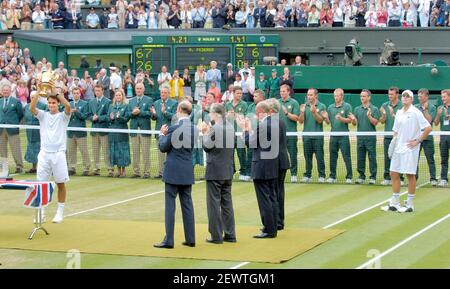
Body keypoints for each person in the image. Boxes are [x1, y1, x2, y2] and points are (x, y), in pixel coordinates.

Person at [154, 100, 197, 249]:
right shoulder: (194, 129)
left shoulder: (174, 128)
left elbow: (163, 147)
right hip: (186, 170)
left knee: (170, 206)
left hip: (173, 170)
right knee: (187, 205)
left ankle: (169, 240)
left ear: (179, 109)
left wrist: (161, 134)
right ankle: (191, 239)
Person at [381, 90, 432, 213]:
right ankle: (395, 202)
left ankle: (409, 204)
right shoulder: (398, 112)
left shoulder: (415, 112)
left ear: (411, 99)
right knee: (393, 173)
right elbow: (396, 131)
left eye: (407, 96)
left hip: (410, 149)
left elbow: (428, 128)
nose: (404, 98)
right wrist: (394, 143)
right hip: (398, 148)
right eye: (403, 96)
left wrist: (417, 141)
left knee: (410, 175)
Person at [29, 85, 71, 224]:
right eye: (50, 103)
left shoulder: (63, 116)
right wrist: (38, 92)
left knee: (60, 184)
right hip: (44, 154)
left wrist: (55, 93)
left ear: (57, 103)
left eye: (54, 103)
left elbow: (68, 106)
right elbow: (32, 108)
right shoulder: (43, 115)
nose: (51, 105)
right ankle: (41, 212)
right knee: (41, 185)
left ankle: (60, 212)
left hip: (58, 154)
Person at [239, 101, 278, 238]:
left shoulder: (263, 125)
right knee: (271, 197)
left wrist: (245, 129)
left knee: (265, 199)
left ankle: (269, 229)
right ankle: (272, 227)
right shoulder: (273, 123)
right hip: (271, 165)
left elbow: (250, 143)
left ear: (260, 111)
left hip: (262, 166)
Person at [201, 103, 236, 244]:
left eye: (211, 113)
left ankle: (216, 236)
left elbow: (206, 147)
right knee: (226, 203)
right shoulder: (231, 127)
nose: (209, 115)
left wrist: (205, 133)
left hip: (215, 170)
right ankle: (230, 234)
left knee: (214, 204)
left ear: (215, 114)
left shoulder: (215, 128)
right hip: (227, 169)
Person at [266, 98, 289, 230]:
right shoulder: (280, 122)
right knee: (279, 191)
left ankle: (276, 221)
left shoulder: (272, 122)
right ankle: (279, 221)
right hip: (282, 160)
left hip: (276, 161)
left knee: (275, 192)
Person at [351, 89, 380, 185]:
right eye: (361, 96)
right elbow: (354, 123)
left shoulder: (374, 109)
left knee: (372, 157)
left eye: (364, 96)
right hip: (360, 138)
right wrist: (353, 119)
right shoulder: (357, 109)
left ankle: (373, 177)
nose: (362, 98)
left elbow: (376, 122)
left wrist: (369, 116)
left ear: (369, 97)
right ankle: (361, 176)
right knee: (360, 158)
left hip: (370, 138)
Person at [299, 88, 328, 183]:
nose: (309, 97)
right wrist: (302, 112)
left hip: (318, 137)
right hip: (306, 136)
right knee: (307, 157)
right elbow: (300, 121)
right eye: (308, 95)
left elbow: (320, 120)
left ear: (316, 96)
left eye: (311, 95)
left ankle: (322, 175)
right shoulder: (304, 106)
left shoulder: (321, 106)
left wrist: (314, 112)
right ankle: (307, 175)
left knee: (319, 157)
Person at [326, 88, 353, 183]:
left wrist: (341, 119)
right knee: (332, 156)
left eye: (337, 96)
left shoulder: (347, 106)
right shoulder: (330, 107)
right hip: (333, 136)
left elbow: (350, 120)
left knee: (346, 156)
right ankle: (332, 176)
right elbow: (328, 122)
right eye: (335, 96)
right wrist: (325, 117)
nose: (336, 97)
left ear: (342, 96)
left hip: (344, 135)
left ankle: (349, 177)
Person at [151, 87, 178, 178]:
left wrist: (165, 112)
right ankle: (161, 173)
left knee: (171, 154)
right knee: (160, 154)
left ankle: (171, 173)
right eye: (162, 92)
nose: (163, 94)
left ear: (168, 93)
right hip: (160, 132)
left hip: (170, 133)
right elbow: (155, 118)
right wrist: (153, 114)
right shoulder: (156, 103)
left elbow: (175, 117)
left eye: (165, 92)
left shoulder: (174, 103)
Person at [128, 82, 153, 179]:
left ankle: (146, 172)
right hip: (134, 129)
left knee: (146, 151)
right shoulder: (131, 101)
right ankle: (136, 171)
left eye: (140, 88)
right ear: (135, 90)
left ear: (143, 90)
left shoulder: (149, 100)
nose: (138, 90)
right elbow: (128, 114)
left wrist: (140, 112)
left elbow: (150, 114)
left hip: (144, 129)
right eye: (137, 88)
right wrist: (133, 113)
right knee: (135, 151)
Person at [380, 87, 403, 186]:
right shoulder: (384, 105)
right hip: (388, 136)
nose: (390, 96)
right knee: (387, 157)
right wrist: (384, 114)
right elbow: (382, 121)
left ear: (397, 95)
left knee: (399, 157)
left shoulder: (402, 105)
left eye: (392, 94)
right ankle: (387, 177)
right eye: (389, 94)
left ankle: (400, 178)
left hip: (399, 136)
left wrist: (393, 114)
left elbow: (403, 121)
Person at [225, 86, 249, 181]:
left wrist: (236, 115)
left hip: (240, 133)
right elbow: (223, 118)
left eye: (241, 93)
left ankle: (244, 172)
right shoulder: (227, 104)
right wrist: (228, 115)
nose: (239, 95)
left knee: (241, 153)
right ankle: (231, 171)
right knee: (229, 154)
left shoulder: (244, 104)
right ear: (233, 93)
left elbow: (246, 118)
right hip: (230, 133)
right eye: (237, 93)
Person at [89, 84, 113, 176]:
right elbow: (88, 115)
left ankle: (110, 169)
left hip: (104, 130)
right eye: (96, 91)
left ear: (102, 91)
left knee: (106, 151)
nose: (97, 92)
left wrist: (98, 118)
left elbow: (108, 116)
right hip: (94, 130)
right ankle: (96, 169)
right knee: (95, 151)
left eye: (99, 90)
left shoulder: (108, 102)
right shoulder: (91, 102)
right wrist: (92, 118)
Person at [415, 88, 437, 186]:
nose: (419, 98)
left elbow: (429, 121)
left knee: (430, 159)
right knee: (415, 159)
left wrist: (424, 110)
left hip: (427, 138)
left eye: (421, 96)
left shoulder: (432, 107)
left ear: (426, 97)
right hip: (417, 138)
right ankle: (414, 178)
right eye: (418, 96)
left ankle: (433, 179)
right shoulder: (415, 107)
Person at [67, 87, 91, 176]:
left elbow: (84, 116)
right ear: (72, 94)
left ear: (80, 94)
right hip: (70, 131)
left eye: (77, 93)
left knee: (84, 151)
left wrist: (76, 112)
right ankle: (72, 168)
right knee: (71, 151)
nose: (76, 94)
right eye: (74, 93)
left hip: (80, 132)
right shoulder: (69, 104)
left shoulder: (84, 104)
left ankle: (86, 168)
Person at [278, 84, 299, 182]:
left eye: (284, 91)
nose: (282, 93)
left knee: (292, 154)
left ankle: (294, 174)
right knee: (278, 155)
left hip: (291, 133)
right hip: (279, 134)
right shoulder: (277, 103)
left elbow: (296, 118)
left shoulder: (294, 103)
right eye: (281, 91)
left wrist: (287, 113)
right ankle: (278, 173)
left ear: (288, 92)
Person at [0, 84, 23, 173]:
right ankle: (4, 168)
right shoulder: (0, 101)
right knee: (2, 149)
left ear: (10, 91)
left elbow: (20, 114)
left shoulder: (16, 101)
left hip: (13, 129)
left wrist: (14, 122)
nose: (5, 92)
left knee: (15, 148)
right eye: (4, 90)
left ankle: (19, 166)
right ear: (2, 91)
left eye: (7, 90)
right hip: (1, 129)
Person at [108, 89, 131, 178]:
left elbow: (127, 118)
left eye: (119, 95)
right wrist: (111, 118)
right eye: (116, 95)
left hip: (122, 132)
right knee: (115, 151)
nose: (118, 97)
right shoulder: (111, 106)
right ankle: (118, 171)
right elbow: (108, 118)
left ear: (122, 96)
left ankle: (123, 171)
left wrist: (119, 117)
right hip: (113, 132)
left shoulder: (126, 106)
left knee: (122, 151)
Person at [23, 92, 46, 174]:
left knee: (40, 147)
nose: (33, 98)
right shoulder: (26, 106)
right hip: (29, 131)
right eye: (32, 97)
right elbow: (24, 117)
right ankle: (34, 167)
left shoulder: (43, 106)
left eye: (35, 97)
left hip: (39, 130)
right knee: (31, 147)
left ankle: (42, 167)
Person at [434, 89, 450, 187]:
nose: (442, 98)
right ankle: (443, 179)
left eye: (444, 96)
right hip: (443, 137)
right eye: (442, 96)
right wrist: (439, 114)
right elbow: (435, 123)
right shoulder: (440, 108)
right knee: (444, 159)